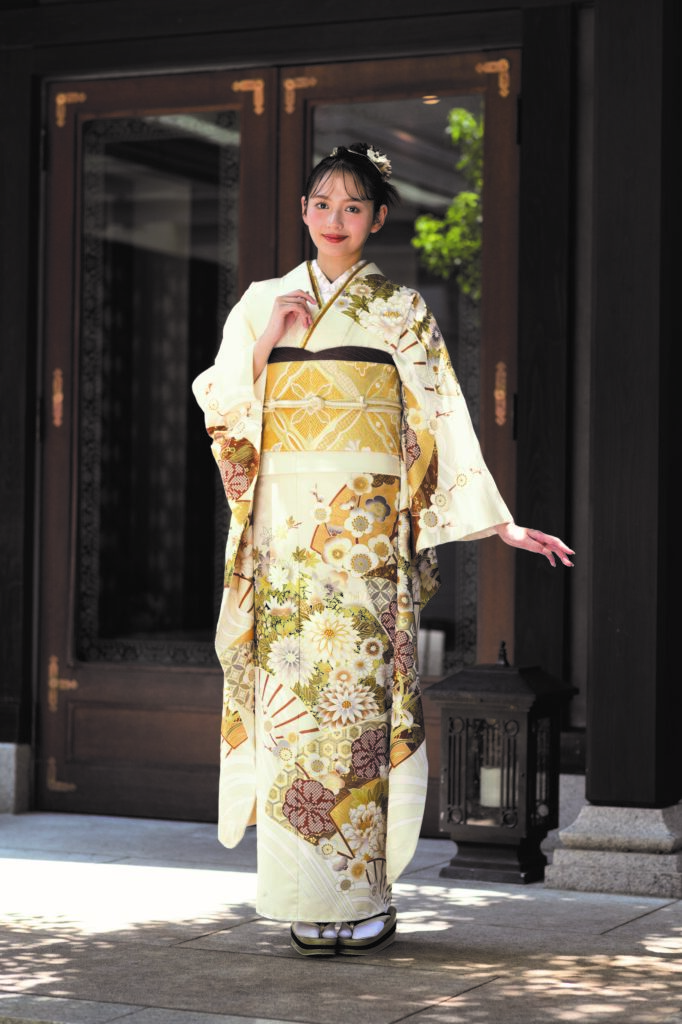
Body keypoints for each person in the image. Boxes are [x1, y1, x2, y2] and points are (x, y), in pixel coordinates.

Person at [192, 142, 574, 957]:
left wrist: (497, 522)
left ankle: (364, 896)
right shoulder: (262, 301)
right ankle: (299, 893)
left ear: (378, 219)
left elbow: (441, 418)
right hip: (287, 540)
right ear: (303, 211)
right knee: (294, 713)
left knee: (357, 711)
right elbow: (221, 407)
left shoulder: (401, 309)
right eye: (322, 204)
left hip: (363, 543)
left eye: (353, 207)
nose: (335, 219)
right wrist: (269, 343)